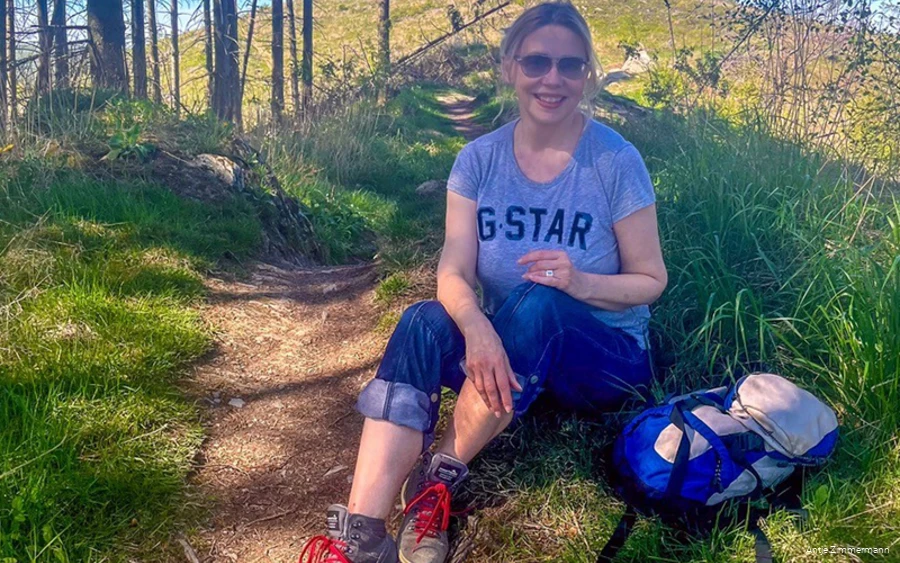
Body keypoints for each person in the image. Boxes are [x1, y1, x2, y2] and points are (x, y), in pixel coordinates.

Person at [298, 2, 667, 562]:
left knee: (541, 301)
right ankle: (362, 534)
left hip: (606, 358)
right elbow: (453, 270)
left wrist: (580, 282)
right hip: (514, 356)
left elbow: (651, 280)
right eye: (537, 61)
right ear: (510, 67)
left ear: (587, 74)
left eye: (570, 66)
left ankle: (433, 486)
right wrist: (476, 328)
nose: (552, 79)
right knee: (423, 320)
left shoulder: (615, 161)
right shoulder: (477, 161)